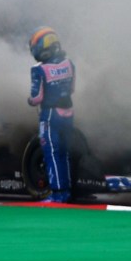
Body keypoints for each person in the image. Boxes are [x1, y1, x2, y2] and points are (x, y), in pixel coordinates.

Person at [27, 26, 76, 203]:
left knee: (52, 154)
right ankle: (67, 191)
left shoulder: (39, 70)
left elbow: (36, 97)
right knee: (65, 153)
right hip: (69, 113)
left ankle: (57, 194)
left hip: (50, 115)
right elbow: (72, 89)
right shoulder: (70, 63)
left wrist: (30, 101)